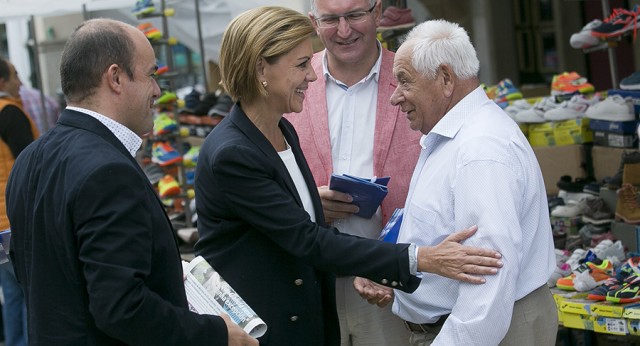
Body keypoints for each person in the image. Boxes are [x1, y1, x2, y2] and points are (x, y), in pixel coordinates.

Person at [195, 6, 503, 346]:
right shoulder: (233, 152)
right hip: (267, 326)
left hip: (318, 308)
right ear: (261, 69)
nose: (311, 76)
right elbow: (306, 239)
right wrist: (421, 258)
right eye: (300, 65)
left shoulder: (281, 129)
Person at [5, 18, 257, 346]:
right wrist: (219, 333)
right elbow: (122, 308)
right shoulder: (107, 171)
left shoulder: (30, 159)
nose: (157, 90)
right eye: (152, 74)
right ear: (115, 78)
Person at [358, 19, 558, 345]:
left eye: (405, 82)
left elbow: (487, 282)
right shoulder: (456, 136)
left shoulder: (479, 149)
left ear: (446, 79)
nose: (395, 98)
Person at [284, 0, 420, 344]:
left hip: (388, 284)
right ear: (314, 22)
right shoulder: (292, 80)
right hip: (311, 281)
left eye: (355, 15)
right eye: (331, 19)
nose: (344, 31)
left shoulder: (416, 78)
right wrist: (309, 203)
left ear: (377, 13)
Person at [0, 57, 38, 346]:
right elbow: (31, 167)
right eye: (15, 76)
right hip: (13, 221)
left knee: (12, 296)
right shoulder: (10, 114)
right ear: (2, 82)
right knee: (31, 295)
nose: (20, 82)